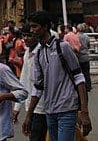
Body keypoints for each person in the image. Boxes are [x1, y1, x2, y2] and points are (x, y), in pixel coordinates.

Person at [23, 11, 92, 141]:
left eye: (35, 26)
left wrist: (84, 112)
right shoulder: (39, 54)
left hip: (67, 108)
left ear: (44, 27)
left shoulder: (62, 47)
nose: (32, 30)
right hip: (50, 111)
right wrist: (29, 115)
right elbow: (38, 87)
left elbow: (79, 78)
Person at [13, 25, 47, 141]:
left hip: (42, 106)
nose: (26, 38)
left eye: (29, 35)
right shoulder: (28, 52)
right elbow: (24, 80)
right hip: (30, 105)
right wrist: (17, 107)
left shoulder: (42, 52)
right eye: (24, 35)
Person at [77, 23, 91, 92]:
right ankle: (89, 86)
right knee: (87, 72)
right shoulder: (86, 36)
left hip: (79, 56)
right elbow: (88, 45)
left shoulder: (77, 36)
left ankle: (83, 87)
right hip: (86, 56)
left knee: (81, 74)